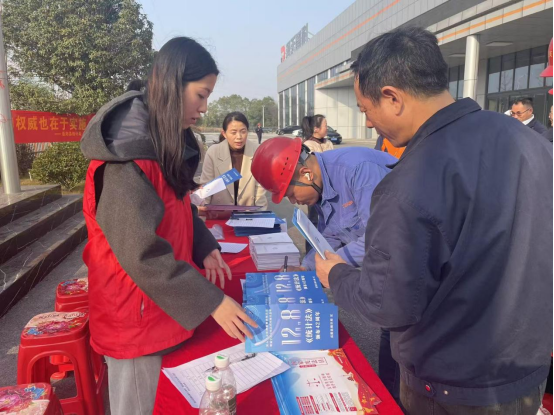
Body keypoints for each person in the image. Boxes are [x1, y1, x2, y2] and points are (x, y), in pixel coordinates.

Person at [315, 27, 553, 414]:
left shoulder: (412, 180)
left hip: (452, 390)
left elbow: (388, 303)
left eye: (366, 109)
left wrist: (337, 276)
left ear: (392, 97)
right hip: (528, 373)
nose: (369, 123)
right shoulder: (531, 143)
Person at [80, 38, 257, 415]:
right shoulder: (126, 159)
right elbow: (141, 254)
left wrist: (204, 245)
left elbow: (178, 208)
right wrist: (212, 301)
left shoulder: (162, 143)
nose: (204, 107)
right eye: (201, 95)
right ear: (172, 85)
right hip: (135, 321)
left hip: (162, 312)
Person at [251, 137, 396, 272]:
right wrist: (305, 269)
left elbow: (379, 239)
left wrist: (331, 265)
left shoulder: (360, 171)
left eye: (291, 195)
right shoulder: (320, 184)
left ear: (306, 174)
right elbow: (330, 236)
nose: (293, 201)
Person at [200, 112, 268, 210]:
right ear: (224, 134)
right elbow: (206, 189)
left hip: (248, 214)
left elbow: (260, 192)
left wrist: (260, 215)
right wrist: (202, 215)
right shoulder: (213, 152)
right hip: (219, 214)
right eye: (233, 132)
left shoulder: (257, 152)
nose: (239, 137)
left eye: (243, 131)